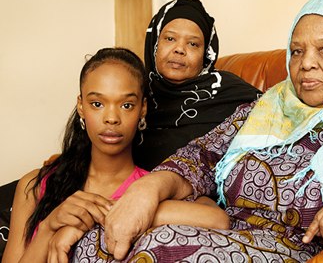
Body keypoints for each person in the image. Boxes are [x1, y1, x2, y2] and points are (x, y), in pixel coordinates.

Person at [72, 0, 323, 262]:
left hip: (303, 251)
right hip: (231, 233)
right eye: (296, 50)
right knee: (91, 244)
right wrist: (148, 189)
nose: (305, 63)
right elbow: (199, 157)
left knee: (163, 245)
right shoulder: (267, 106)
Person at [2, 48, 229, 263]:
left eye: (127, 105)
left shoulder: (150, 190)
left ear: (143, 109)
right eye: (97, 103)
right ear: (81, 106)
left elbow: (218, 220)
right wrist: (49, 228)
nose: (112, 118)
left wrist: (97, 214)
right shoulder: (34, 186)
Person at [134, 0, 262, 170]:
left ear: (206, 55)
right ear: (154, 43)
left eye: (193, 44)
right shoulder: (134, 94)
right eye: (170, 39)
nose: (179, 49)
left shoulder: (229, 91)